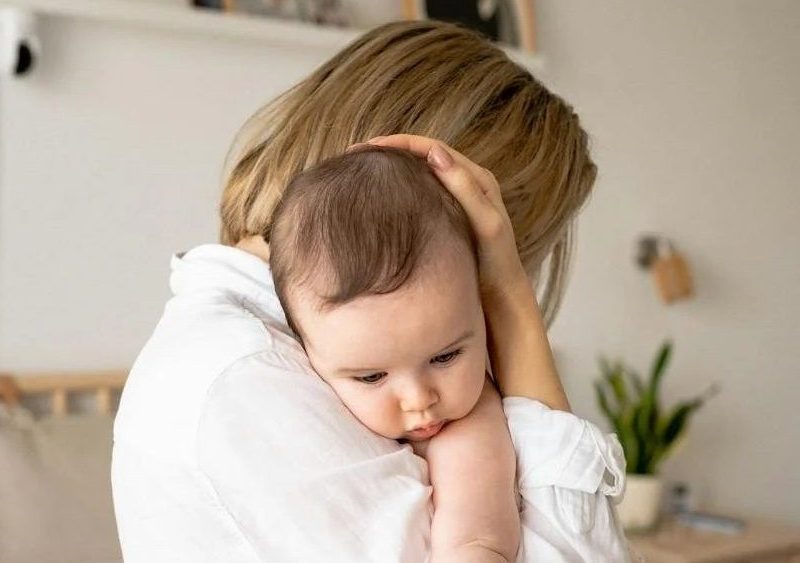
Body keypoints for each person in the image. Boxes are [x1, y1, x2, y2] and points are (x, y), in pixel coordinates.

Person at [112, 19, 629, 562]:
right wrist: (512, 300)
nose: (418, 398)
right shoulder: (248, 379)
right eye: (512, 250)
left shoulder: (264, 352)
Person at [269, 145, 522, 562]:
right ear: (304, 348)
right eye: (371, 377)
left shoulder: (470, 428)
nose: (420, 399)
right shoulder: (279, 386)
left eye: (445, 357)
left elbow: (477, 542)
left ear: (481, 309)